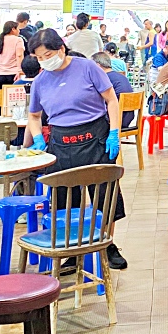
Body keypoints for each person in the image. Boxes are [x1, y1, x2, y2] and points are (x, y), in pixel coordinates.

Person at [26, 28, 127, 270]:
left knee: (104, 194)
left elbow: (111, 99)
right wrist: (39, 139)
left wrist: (114, 132)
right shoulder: (40, 80)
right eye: (38, 58)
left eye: (47, 54)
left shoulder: (87, 67)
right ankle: (71, 250)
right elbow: (34, 115)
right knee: (64, 198)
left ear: (61, 48)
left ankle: (106, 244)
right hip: (61, 141)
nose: (44, 61)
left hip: (95, 136)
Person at [0, 20, 25, 90]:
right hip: (14, 75)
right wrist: (20, 71)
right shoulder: (18, 40)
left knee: (0, 98)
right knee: (13, 100)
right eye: (18, 29)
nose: (19, 31)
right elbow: (19, 55)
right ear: (13, 29)